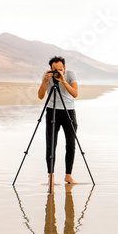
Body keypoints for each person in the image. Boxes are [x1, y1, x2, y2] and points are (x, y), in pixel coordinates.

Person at [38, 56, 79, 190]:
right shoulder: (47, 76)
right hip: (52, 110)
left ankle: (68, 175)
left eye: (60, 69)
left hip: (68, 111)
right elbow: (40, 96)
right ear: (50, 69)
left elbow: (75, 94)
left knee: (71, 144)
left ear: (64, 68)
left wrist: (63, 81)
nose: (57, 72)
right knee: (51, 143)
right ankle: (51, 176)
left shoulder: (70, 74)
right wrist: (45, 82)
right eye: (54, 70)